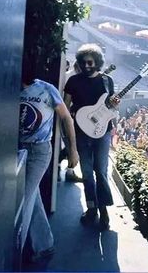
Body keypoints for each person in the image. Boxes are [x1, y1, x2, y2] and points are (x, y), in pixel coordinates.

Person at [19, 57, 79, 261]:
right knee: (31, 198)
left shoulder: (47, 89)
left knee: (22, 201)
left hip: (39, 151)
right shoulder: (10, 88)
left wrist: (72, 150)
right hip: (16, 149)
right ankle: (45, 245)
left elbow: (66, 118)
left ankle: (13, 253)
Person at [64, 44, 120, 230]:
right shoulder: (73, 81)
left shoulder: (107, 81)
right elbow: (65, 108)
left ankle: (104, 210)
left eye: (91, 62)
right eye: (83, 62)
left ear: (98, 62)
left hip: (102, 132)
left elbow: (111, 108)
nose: (87, 66)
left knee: (101, 172)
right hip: (81, 133)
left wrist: (115, 104)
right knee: (87, 173)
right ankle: (91, 209)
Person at [59, 60, 83, 182]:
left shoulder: (67, 75)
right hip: (69, 115)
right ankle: (68, 171)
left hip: (69, 114)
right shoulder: (72, 77)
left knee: (70, 144)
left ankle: (64, 168)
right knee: (71, 144)